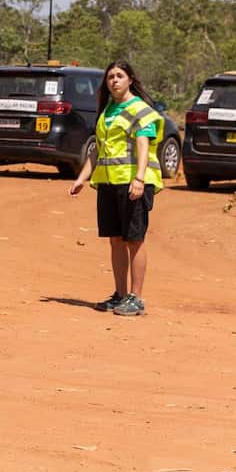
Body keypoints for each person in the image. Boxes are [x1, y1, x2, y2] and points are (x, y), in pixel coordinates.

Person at [68, 60, 165, 317]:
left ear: (130, 79)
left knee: (135, 239)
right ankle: (120, 294)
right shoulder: (107, 111)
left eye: (120, 76)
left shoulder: (139, 109)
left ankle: (137, 298)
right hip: (109, 183)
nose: (114, 80)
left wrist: (140, 178)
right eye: (110, 76)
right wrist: (82, 178)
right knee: (116, 240)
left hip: (132, 183)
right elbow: (99, 149)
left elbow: (143, 144)